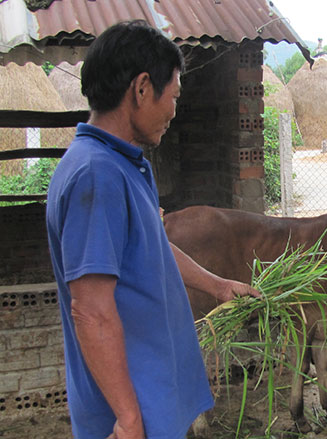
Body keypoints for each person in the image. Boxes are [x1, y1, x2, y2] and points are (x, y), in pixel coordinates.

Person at [45, 20, 259, 439]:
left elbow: (150, 247)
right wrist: (126, 419)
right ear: (142, 88)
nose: (175, 110)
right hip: (128, 411)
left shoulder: (123, 163)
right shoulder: (96, 174)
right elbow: (90, 311)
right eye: (174, 95)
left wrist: (217, 286)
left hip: (152, 397)